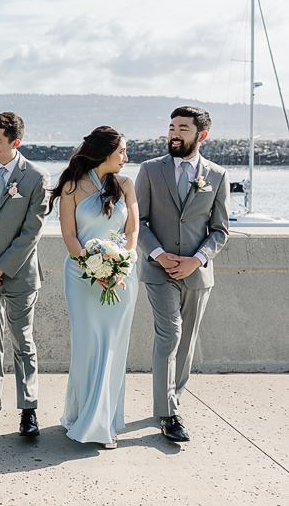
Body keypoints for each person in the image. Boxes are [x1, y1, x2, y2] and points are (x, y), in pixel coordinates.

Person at [136, 106, 229, 443]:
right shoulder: (149, 170)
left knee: (186, 344)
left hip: (197, 273)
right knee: (170, 336)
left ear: (201, 135)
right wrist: (159, 255)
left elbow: (220, 230)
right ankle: (168, 414)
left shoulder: (217, 175)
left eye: (183, 129)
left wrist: (197, 260)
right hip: (158, 270)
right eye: (172, 127)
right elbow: (139, 222)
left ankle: (173, 400)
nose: (174, 134)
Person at [51, 126, 139, 448]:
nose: (126, 158)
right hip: (81, 277)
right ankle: (79, 416)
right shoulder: (72, 187)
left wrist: (120, 266)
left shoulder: (126, 185)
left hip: (122, 277)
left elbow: (132, 232)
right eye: (122, 152)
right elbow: (70, 236)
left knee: (114, 348)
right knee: (87, 346)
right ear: (105, 152)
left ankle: (106, 422)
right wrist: (94, 267)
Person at [0, 112, 50, 437]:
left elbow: (33, 230)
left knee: (22, 339)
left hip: (20, 273)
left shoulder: (37, 177)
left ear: (15, 142)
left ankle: (28, 407)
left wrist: (1, 267)